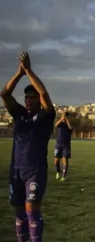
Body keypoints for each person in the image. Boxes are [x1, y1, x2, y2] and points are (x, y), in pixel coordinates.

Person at [2, 52, 55, 242]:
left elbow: (44, 94)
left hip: (35, 170)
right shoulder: (19, 114)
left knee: (31, 210)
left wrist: (29, 71)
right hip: (16, 170)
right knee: (18, 213)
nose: (29, 100)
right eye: (27, 98)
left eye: (32, 98)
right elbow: (4, 94)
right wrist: (19, 73)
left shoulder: (45, 117)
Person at [54, 112, 73, 182]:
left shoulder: (69, 124)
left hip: (66, 145)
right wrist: (62, 119)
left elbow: (70, 128)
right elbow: (56, 125)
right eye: (63, 115)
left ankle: (64, 176)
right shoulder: (60, 123)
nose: (64, 117)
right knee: (56, 161)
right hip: (58, 145)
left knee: (65, 160)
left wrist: (67, 120)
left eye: (65, 116)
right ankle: (58, 171)